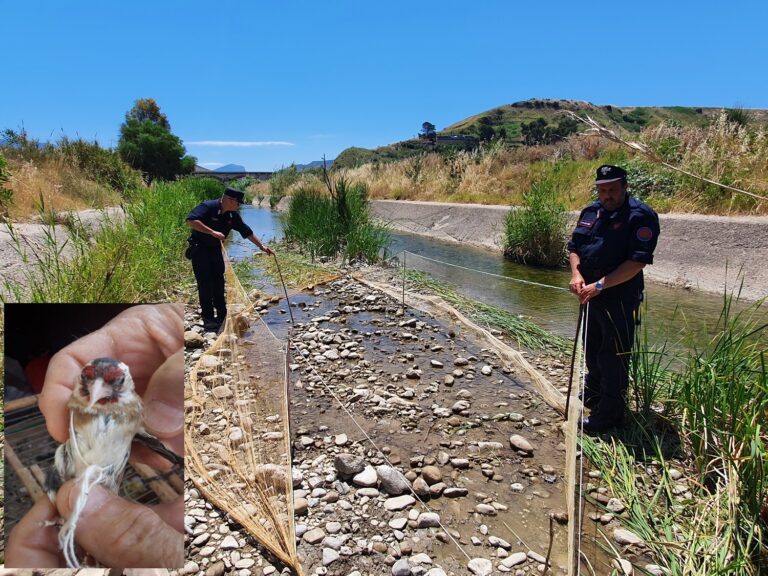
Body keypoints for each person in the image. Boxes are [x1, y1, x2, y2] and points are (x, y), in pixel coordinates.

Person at [6, 304, 184, 568]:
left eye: (114, 385)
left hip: (106, 478)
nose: (98, 395)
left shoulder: (136, 405)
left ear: (127, 383)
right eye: (88, 386)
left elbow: (145, 438)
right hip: (79, 477)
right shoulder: (76, 406)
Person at [567, 165, 660, 433]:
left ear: (624, 187)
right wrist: (576, 275)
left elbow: (637, 262)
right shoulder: (590, 212)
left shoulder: (640, 217)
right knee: (593, 348)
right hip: (589, 294)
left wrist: (601, 285)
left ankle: (609, 416)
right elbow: (574, 248)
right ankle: (594, 394)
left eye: (612, 190)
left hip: (619, 296)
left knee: (613, 356)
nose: (607, 195)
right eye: (602, 190)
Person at [186, 186, 274, 331]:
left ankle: (221, 314)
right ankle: (208, 317)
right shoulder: (208, 207)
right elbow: (191, 220)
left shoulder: (232, 215)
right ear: (229, 199)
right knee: (205, 283)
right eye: (238, 203)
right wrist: (212, 232)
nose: (239, 206)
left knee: (219, 282)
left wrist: (262, 247)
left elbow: (246, 232)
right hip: (200, 250)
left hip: (215, 250)